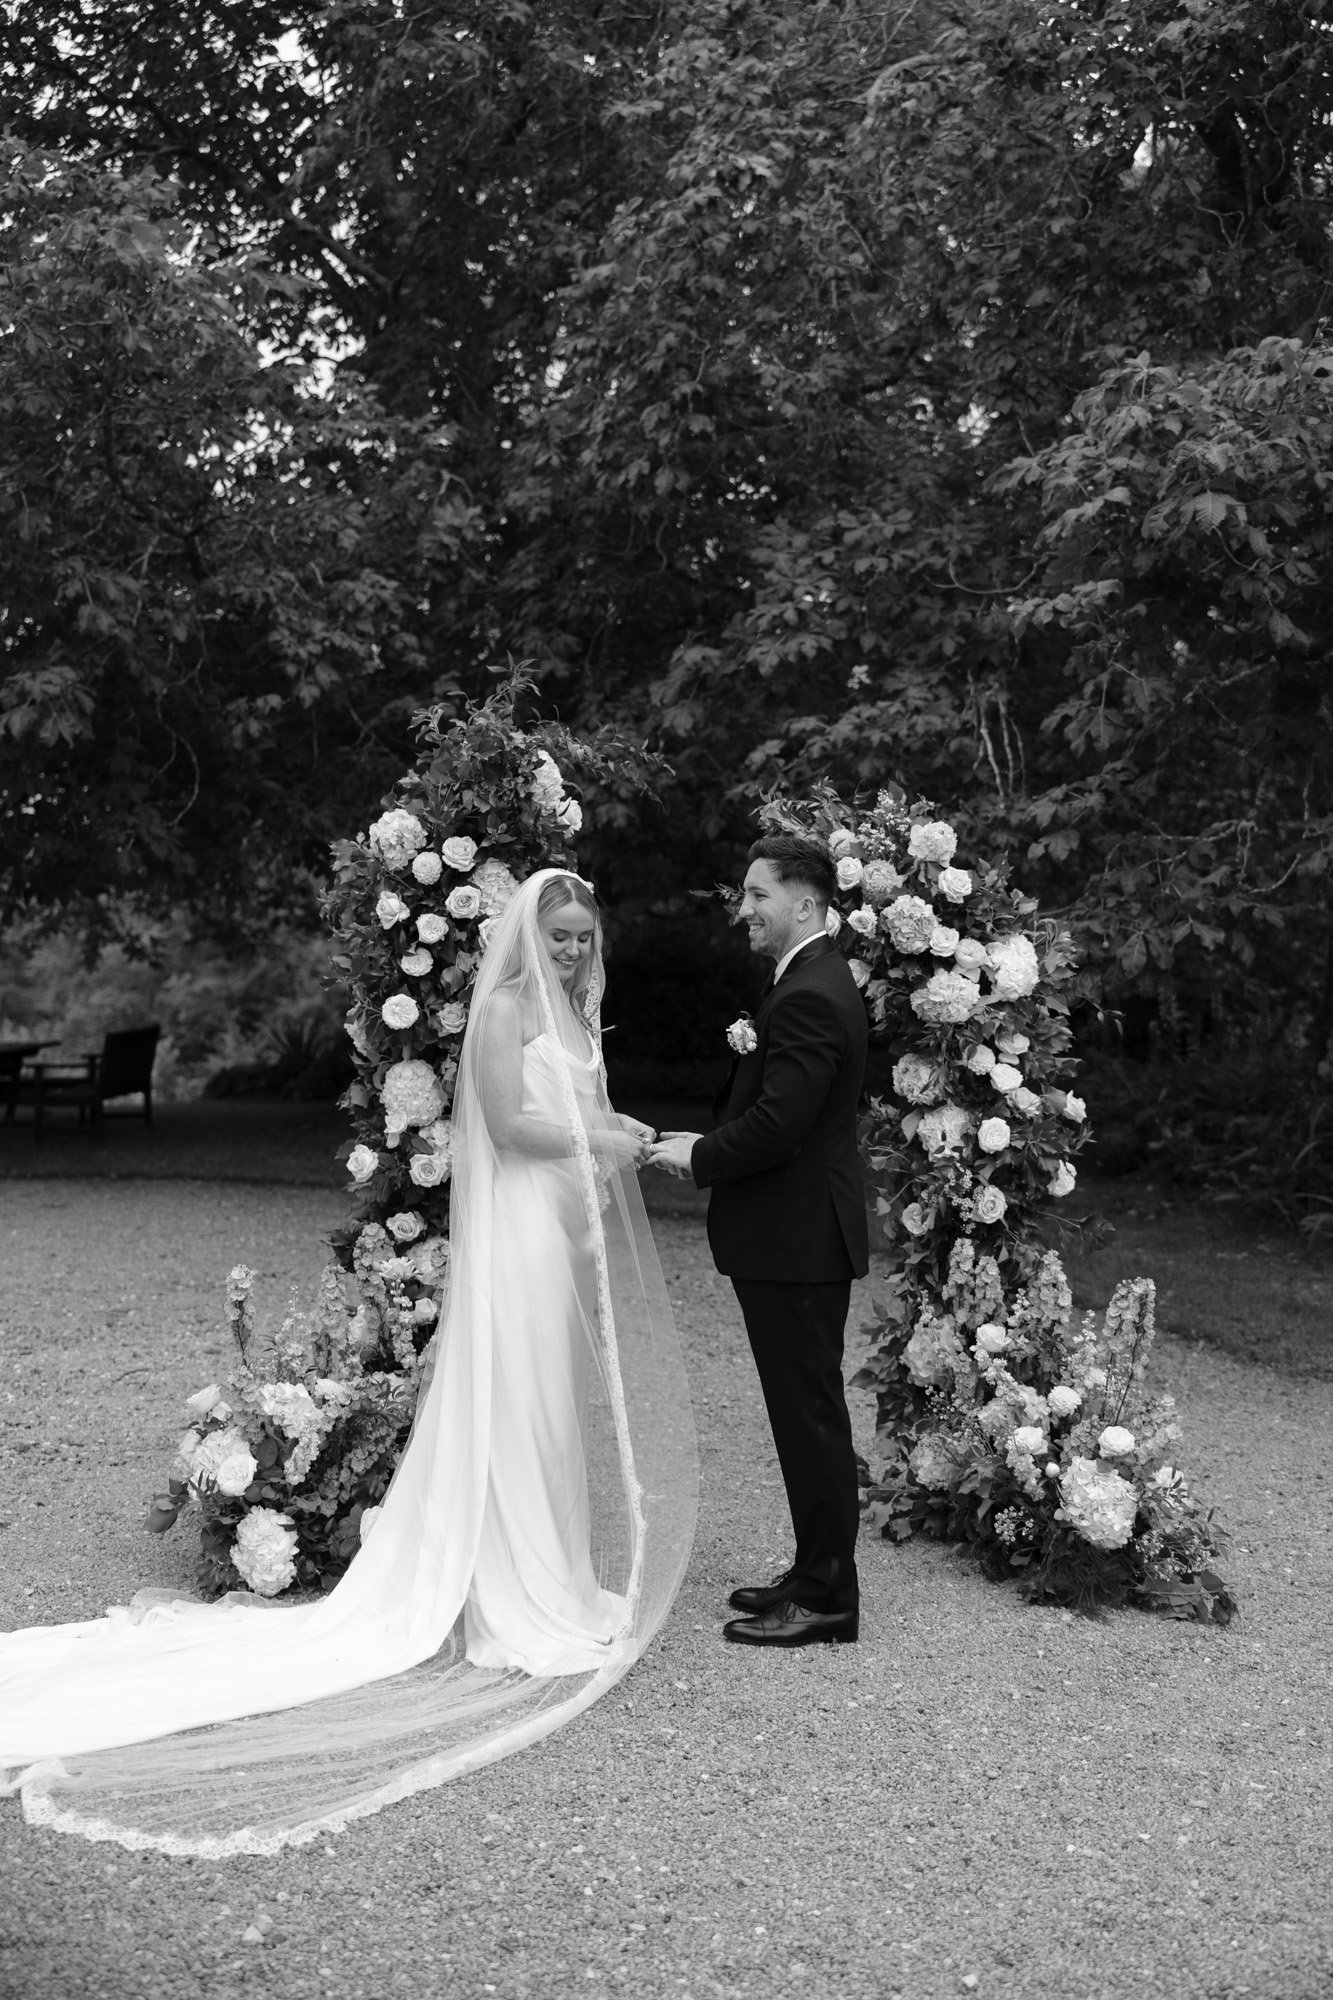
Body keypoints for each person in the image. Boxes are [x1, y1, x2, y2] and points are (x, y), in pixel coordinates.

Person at [0, 870, 697, 1855]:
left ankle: (558, 1573)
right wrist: (603, 1131)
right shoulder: (503, 1010)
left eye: (586, 934)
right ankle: (514, 1589)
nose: (576, 948)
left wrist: (600, 1141)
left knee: (553, 1411)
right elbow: (504, 1125)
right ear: (528, 936)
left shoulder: (573, 1008)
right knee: (526, 1403)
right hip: (527, 1242)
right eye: (562, 933)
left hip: (562, 1235)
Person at [650, 835, 868, 1646]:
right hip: (793, 1236)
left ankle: (827, 1601)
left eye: (755, 895)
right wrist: (697, 1139)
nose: (743, 909)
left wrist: (697, 1156)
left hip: (798, 1240)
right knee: (800, 1411)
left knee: (809, 1414)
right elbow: (779, 1110)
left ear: (803, 903)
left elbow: (783, 1124)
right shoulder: (807, 979)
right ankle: (814, 1573)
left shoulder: (811, 992)